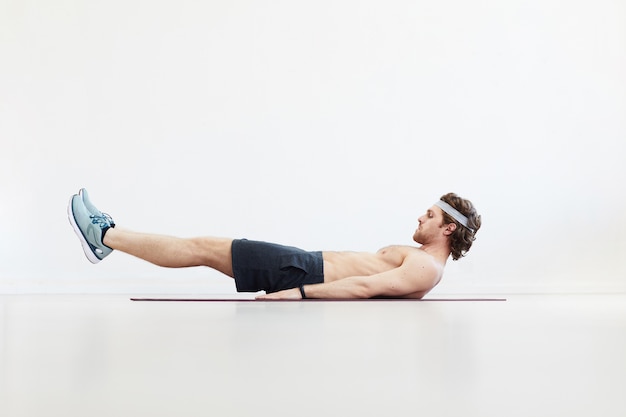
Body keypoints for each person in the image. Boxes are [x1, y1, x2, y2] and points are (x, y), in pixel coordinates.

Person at [68, 189, 481, 299]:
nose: (420, 216)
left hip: (302, 271)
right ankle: (108, 237)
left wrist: (299, 292)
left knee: (202, 247)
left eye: (430, 215)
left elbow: (364, 288)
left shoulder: (428, 267)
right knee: (204, 247)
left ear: (448, 229)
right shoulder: (423, 260)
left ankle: (104, 236)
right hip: (303, 264)